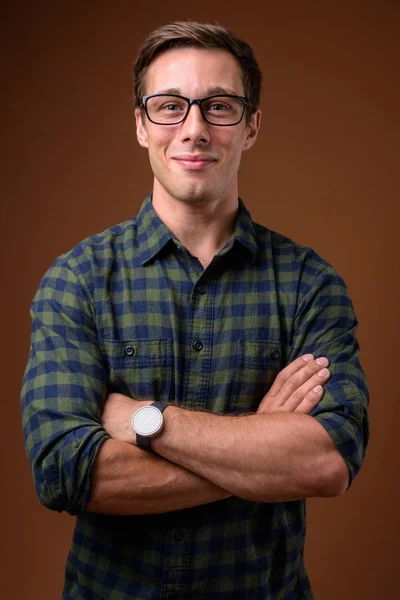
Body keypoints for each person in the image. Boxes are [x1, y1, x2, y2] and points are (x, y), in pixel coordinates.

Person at [21, 21, 369, 600]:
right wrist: (261, 452)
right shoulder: (76, 280)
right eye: (169, 106)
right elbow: (64, 471)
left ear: (252, 125)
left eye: (219, 106)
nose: (194, 128)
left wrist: (143, 420)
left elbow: (329, 462)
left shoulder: (311, 283)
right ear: (140, 124)